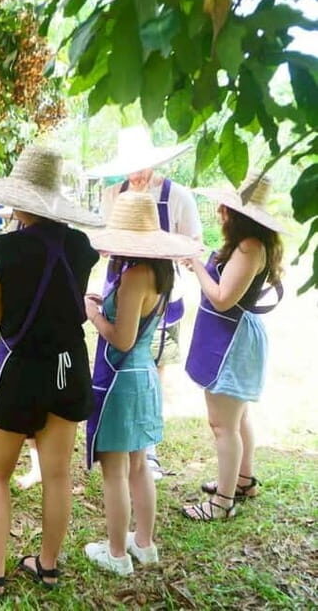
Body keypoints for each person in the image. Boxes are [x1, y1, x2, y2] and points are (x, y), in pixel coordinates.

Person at [0, 147, 101, 597]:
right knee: (57, 474)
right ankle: (48, 566)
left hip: (20, 370)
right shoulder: (81, 247)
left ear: (19, 198)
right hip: (68, 365)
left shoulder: (5, 249)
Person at [83, 191, 201, 575]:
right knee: (139, 466)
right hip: (144, 376)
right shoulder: (160, 272)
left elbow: (122, 339)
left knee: (115, 471)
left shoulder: (135, 275)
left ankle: (117, 554)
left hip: (122, 381)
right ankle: (144, 543)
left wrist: (93, 313)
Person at [181, 173, 285, 521]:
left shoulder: (248, 247)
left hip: (232, 340)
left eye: (223, 206)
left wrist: (196, 263)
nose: (218, 211)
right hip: (231, 336)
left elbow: (223, 298)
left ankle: (222, 502)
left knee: (222, 425)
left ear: (234, 212)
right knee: (237, 418)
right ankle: (243, 481)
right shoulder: (249, 243)